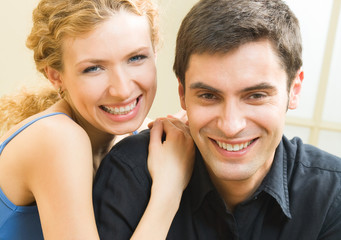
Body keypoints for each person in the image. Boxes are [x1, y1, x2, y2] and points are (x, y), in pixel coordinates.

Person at [93, 0, 341, 239]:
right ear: (183, 94)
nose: (231, 126)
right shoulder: (131, 173)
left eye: (255, 95)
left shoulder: (332, 195)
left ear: (294, 90)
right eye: (209, 96)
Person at [0, 0, 195, 239]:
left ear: (155, 52)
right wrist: (168, 190)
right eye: (94, 68)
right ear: (55, 75)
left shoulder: (134, 137)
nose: (122, 90)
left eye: (135, 58)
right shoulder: (56, 138)